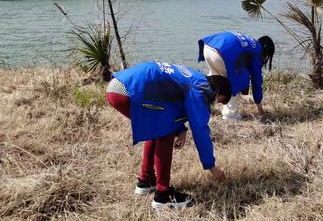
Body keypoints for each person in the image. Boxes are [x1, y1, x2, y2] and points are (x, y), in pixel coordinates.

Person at [105, 61, 231, 210]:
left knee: (157, 128)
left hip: (118, 85)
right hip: (126, 91)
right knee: (165, 133)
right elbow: (200, 130)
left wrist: (181, 129)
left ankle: (146, 181)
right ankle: (163, 195)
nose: (214, 103)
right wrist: (211, 167)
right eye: (219, 100)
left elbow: (170, 105)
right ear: (217, 91)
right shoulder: (201, 89)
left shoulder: (194, 78)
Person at [198, 32, 275, 121]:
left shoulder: (251, 44)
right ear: (267, 52)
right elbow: (256, 81)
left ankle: (200, 105)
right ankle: (230, 115)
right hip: (222, 53)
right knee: (237, 81)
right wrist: (260, 108)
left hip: (208, 47)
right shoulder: (257, 52)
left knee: (214, 81)